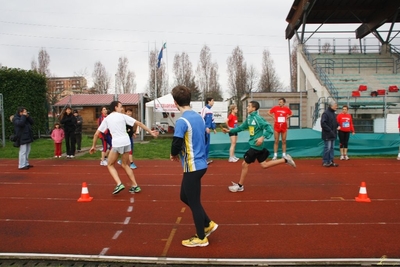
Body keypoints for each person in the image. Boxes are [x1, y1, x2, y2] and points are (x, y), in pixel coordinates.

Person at [170, 85, 218, 247]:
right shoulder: (198, 117)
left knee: (194, 202)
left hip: (193, 166)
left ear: (175, 102)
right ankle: (208, 223)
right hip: (200, 164)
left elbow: (176, 143)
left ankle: (201, 237)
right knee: (184, 196)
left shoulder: (181, 121)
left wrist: (173, 153)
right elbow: (203, 138)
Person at [222, 101, 296, 193]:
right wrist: (229, 131)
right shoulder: (249, 118)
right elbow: (240, 128)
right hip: (257, 146)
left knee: (244, 164)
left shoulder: (257, 118)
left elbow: (269, 128)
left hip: (255, 146)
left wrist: (262, 137)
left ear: (254, 108)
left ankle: (240, 186)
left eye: (249, 106)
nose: (247, 108)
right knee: (264, 165)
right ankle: (285, 159)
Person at [89, 101, 158, 194]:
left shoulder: (107, 119)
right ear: (115, 107)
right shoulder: (122, 116)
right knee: (125, 165)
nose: (122, 109)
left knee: (110, 165)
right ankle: (135, 186)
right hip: (126, 142)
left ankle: (119, 183)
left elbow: (96, 134)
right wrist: (150, 132)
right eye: (120, 107)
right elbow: (139, 123)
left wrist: (93, 146)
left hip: (117, 143)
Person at [321, 101, 339, 167]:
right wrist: (329, 130)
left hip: (333, 133)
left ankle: (331, 160)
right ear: (331, 106)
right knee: (327, 148)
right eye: (335, 106)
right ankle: (325, 161)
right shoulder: (325, 113)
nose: (336, 107)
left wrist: (338, 125)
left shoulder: (333, 113)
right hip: (327, 134)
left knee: (332, 148)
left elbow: (335, 122)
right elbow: (323, 123)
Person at [200, 97, 217, 164]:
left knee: (207, 144)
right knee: (204, 144)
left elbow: (212, 120)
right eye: (212, 101)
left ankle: (206, 158)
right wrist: (205, 127)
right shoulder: (204, 109)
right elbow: (201, 119)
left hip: (208, 130)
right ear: (208, 101)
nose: (213, 102)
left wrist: (214, 128)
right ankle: (203, 159)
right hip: (204, 130)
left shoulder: (211, 110)